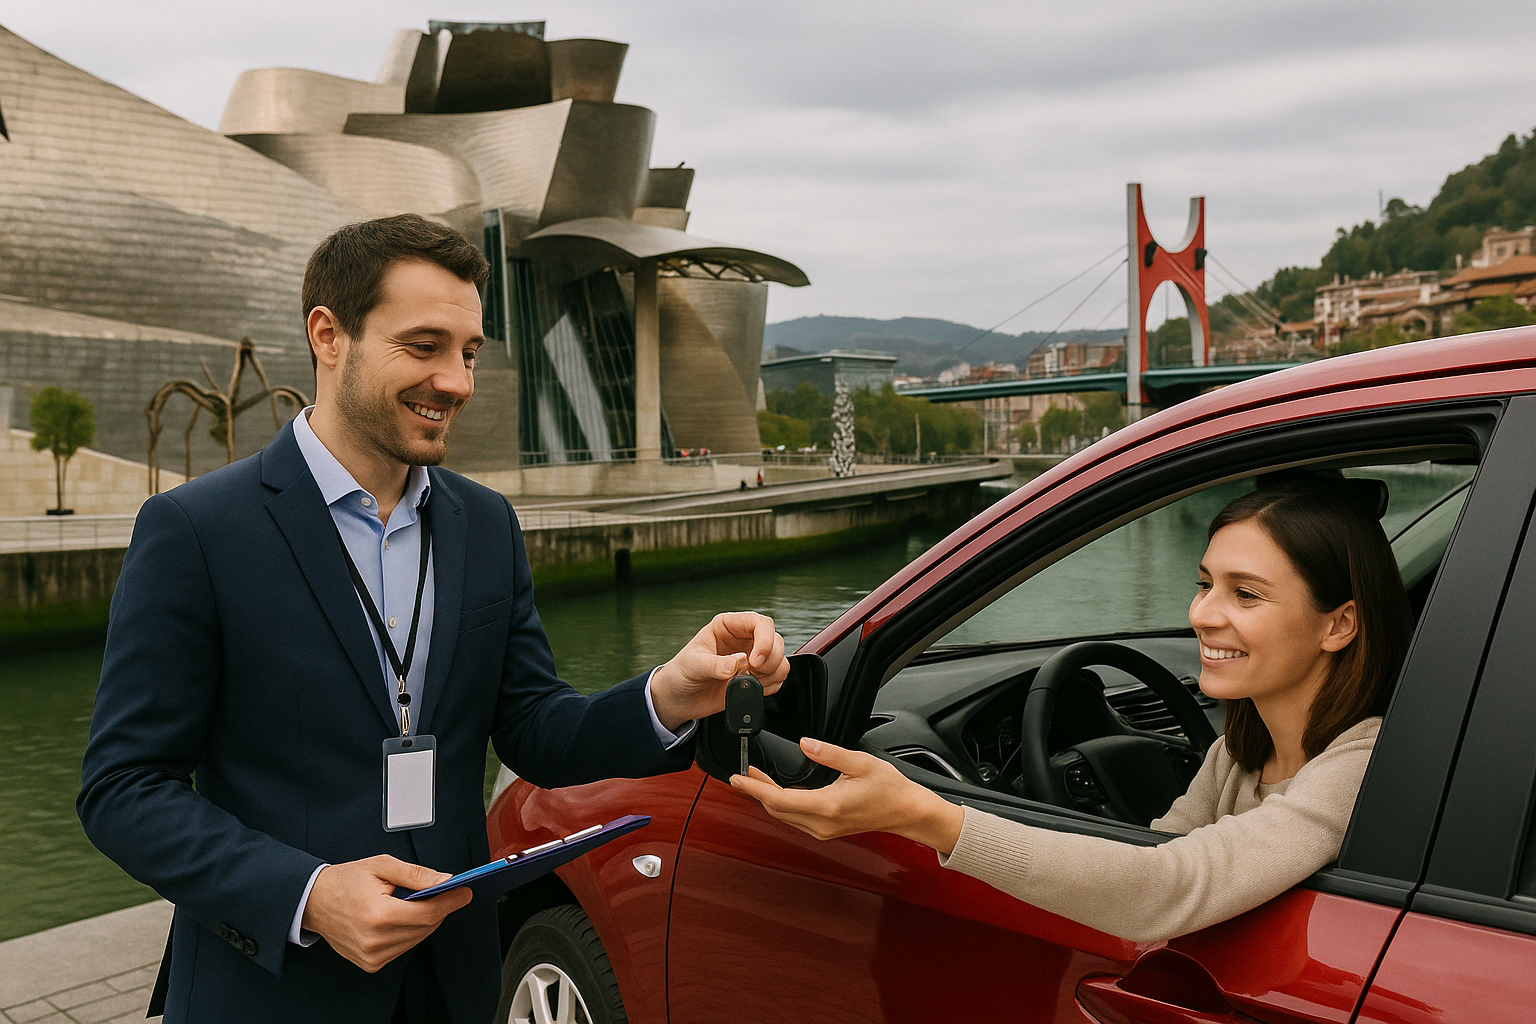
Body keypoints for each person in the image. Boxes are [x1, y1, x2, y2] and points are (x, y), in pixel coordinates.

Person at [78, 214, 788, 1023]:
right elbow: (124, 789)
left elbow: (534, 729)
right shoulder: (196, 530)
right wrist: (309, 895)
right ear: (328, 335)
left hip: (454, 982)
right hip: (272, 991)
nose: (456, 381)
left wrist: (667, 694)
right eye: (424, 347)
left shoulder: (485, 524)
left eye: (469, 352)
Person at [733, 474, 1411, 943]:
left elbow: (1168, 886)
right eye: (1204, 584)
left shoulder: (1361, 767)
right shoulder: (1239, 750)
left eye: (1246, 595)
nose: (1202, 615)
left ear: (1339, 624)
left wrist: (927, 815)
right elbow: (1156, 845)